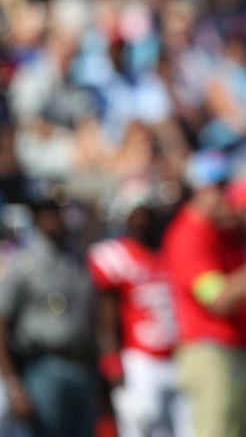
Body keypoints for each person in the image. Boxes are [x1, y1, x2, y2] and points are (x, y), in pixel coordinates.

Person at [162, 150, 246, 437]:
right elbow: (217, 299)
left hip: (240, 350)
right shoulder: (188, 235)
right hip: (209, 353)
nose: (227, 195)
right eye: (219, 187)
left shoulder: (224, 234)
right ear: (198, 189)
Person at [87, 176, 189, 437]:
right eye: (137, 213)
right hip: (140, 361)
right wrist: (115, 377)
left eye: (148, 212)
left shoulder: (169, 252)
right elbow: (105, 321)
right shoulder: (114, 255)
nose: (144, 220)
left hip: (178, 356)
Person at [0, 189, 97, 437]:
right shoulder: (24, 263)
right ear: (36, 217)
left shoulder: (76, 259)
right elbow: (2, 323)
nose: (56, 219)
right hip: (43, 364)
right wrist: (13, 384)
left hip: (82, 365)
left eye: (60, 213)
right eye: (49, 213)